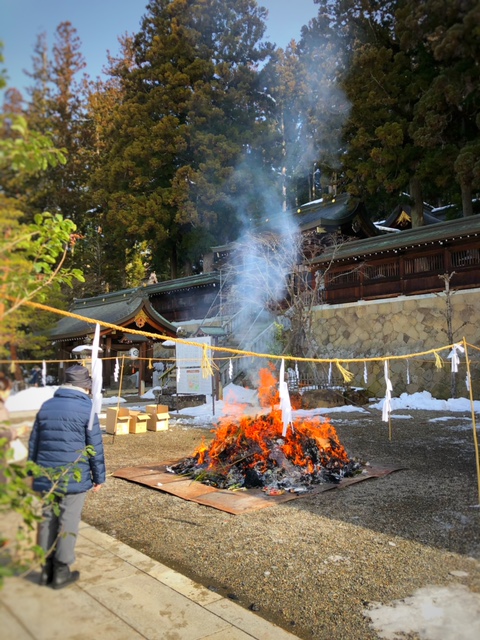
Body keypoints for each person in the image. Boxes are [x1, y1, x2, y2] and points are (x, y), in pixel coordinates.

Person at [28, 364, 106, 589]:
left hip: (45, 475)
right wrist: (98, 477)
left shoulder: (46, 406)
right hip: (74, 476)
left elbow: (34, 443)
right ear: (85, 387)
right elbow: (95, 447)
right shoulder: (86, 409)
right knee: (67, 522)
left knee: (46, 521)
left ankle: (45, 570)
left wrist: (33, 474)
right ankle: (60, 571)